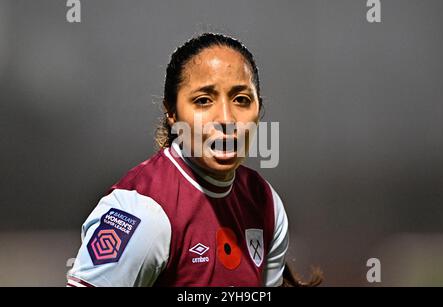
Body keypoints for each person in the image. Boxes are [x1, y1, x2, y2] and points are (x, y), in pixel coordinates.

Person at [67, 33, 320, 287]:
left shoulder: (266, 203)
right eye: (203, 100)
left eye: (241, 100)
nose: (226, 118)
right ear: (172, 112)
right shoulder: (142, 213)